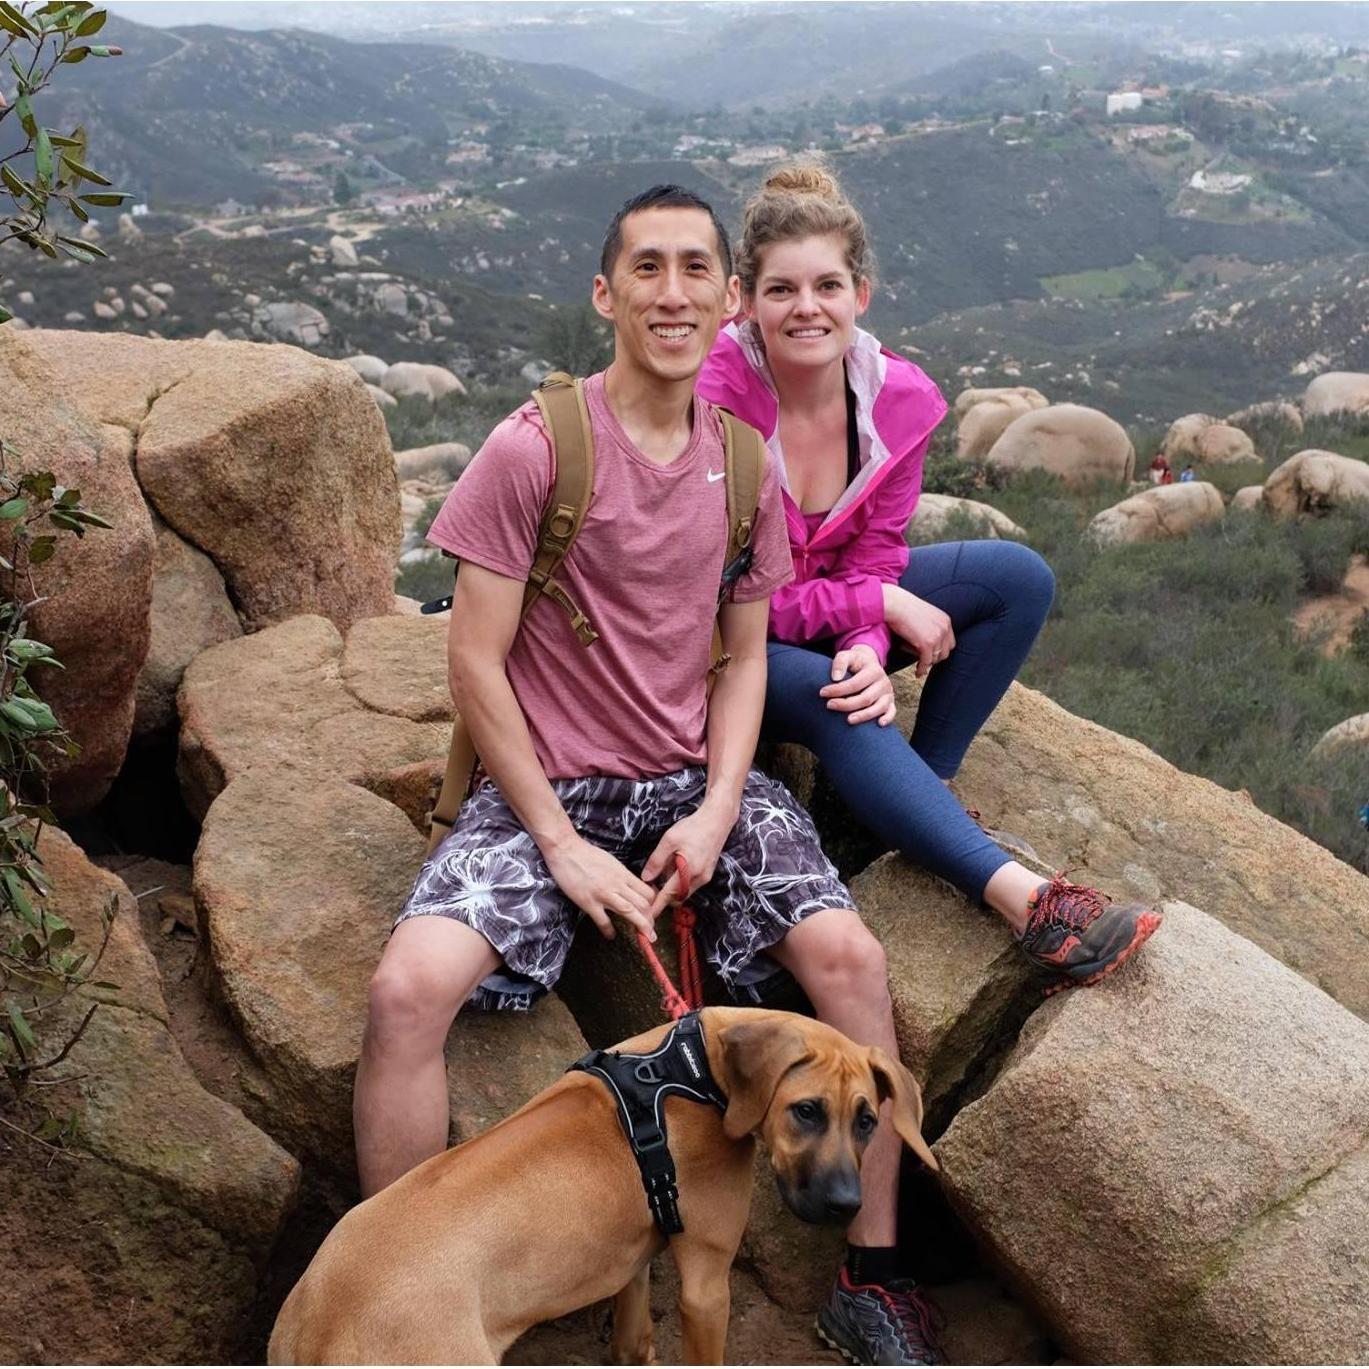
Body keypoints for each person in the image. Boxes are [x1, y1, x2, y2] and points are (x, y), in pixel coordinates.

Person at [353, 190, 914, 1335]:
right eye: (646, 269)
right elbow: (475, 664)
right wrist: (557, 846)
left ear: (725, 302)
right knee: (405, 993)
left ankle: (875, 1278)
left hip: (683, 778)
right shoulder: (534, 449)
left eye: (695, 270)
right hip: (545, 789)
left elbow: (746, 660)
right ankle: (393, 1277)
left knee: (851, 964)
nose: (672, 291)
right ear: (607, 294)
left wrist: (715, 814)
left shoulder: (744, 466)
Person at [698, 164, 1163, 1366]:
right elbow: (724, 584)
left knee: (1015, 582)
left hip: (822, 627)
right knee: (838, 700)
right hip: (731, 647)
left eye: (830, 285)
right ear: (746, 298)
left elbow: (885, 541)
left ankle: (908, 803)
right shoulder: (712, 398)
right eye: (782, 288)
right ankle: (1017, 895)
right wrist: (869, 616)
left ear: (863, 290)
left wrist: (864, 631)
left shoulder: (898, 397)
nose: (808, 307)